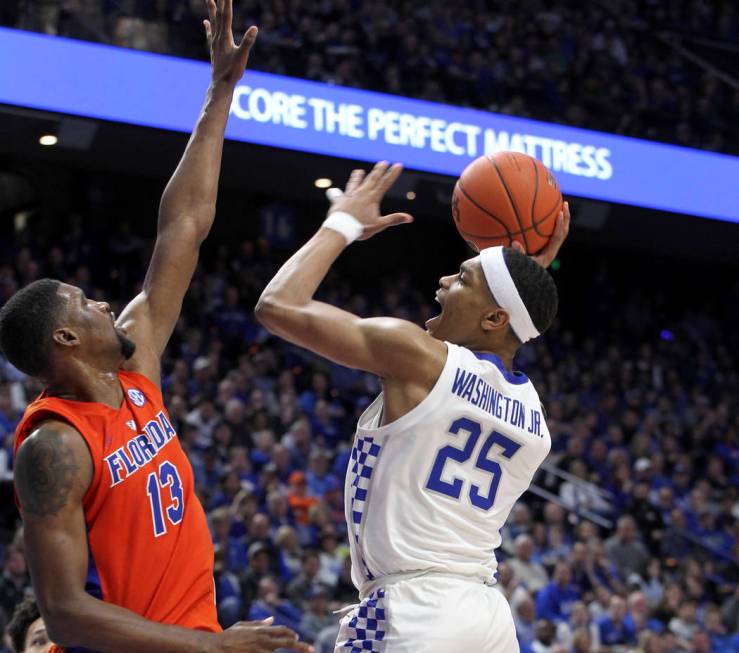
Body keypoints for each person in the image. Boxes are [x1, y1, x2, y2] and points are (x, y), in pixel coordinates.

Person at [0, 1, 310, 651]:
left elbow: (183, 227)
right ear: (64, 338)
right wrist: (214, 645)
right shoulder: (53, 446)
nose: (106, 306)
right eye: (86, 303)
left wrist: (218, 96)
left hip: (194, 637)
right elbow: (63, 613)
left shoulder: (135, 372)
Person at [255, 162, 569, 652]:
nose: (443, 282)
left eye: (462, 280)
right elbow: (516, 315)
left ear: (493, 317)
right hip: (487, 619)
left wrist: (342, 223)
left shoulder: (419, 358)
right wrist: (525, 273)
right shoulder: (535, 419)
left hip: (413, 611)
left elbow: (278, 306)